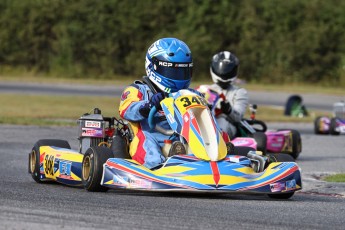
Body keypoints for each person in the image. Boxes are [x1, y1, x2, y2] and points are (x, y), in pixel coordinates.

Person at [119, 37, 196, 169]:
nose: (178, 76)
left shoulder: (189, 94)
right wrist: (148, 105)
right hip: (150, 135)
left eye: (182, 72)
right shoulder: (139, 90)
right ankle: (158, 168)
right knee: (150, 149)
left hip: (181, 138)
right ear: (153, 66)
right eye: (172, 71)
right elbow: (126, 109)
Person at [198, 51, 249, 139]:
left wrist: (228, 110)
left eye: (228, 69)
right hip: (209, 121)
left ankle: (216, 143)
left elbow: (238, 117)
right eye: (222, 68)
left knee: (221, 120)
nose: (224, 72)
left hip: (229, 124)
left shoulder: (240, 92)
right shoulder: (206, 89)